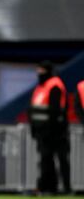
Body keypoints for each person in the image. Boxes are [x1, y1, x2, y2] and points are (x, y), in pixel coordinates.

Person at [28, 63, 71, 194]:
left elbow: (55, 110)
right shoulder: (41, 87)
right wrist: (35, 129)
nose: (39, 73)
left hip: (56, 131)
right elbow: (33, 110)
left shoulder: (54, 85)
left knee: (60, 159)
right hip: (43, 131)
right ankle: (49, 187)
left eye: (41, 70)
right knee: (46, 160)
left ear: (48, 71)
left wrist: (50, 130)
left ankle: (65, 188)